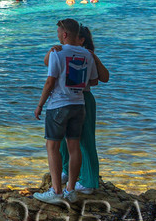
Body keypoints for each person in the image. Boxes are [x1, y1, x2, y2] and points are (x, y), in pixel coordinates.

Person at [33, 19, 96, 204]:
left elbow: (50, 81)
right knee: (74, 146)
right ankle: (71, 191)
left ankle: (57, 192)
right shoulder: (87, 54)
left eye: (59, 32)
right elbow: (91, 81)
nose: (58, 35)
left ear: (65, 34)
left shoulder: (57, 53)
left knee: (52, 147)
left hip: (59, 105)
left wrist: (40, 105)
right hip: (79, 105)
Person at [75, 25, 110, 192]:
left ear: (81, 40)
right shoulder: (72, 53)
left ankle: (88, 181)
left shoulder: (87, 55)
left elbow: (102, 79)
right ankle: (72, 174)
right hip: (76, 98)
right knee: (68, 141)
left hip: (83, 99)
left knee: (86, 141)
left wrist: (95, 59)